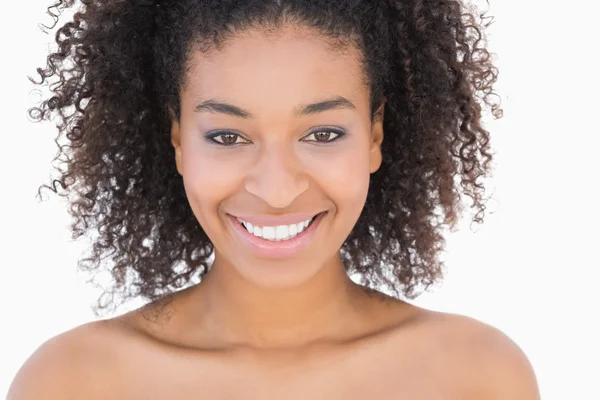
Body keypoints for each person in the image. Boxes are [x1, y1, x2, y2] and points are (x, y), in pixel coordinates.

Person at [9, 0, 540, 398]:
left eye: (323, 134)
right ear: (176, 139)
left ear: (375, 136)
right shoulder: (70, 383)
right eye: (227, 137)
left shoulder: (477, 377)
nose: (277, 189)